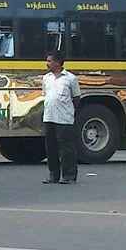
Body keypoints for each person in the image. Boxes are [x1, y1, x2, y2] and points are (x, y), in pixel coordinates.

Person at [41, 49, 82, 184]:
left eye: (49, 61)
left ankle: (69, 175)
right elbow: (46, 95)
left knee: (66, 148)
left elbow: (76, 98)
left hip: (64, 118)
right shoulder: (46, 78)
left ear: (57, 62)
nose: (47, 64)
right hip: (49, 117)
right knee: (50, 147)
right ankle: (54, 174)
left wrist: (70, 112)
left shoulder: (70, 78)